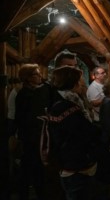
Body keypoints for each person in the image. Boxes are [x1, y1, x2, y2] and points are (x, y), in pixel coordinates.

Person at [47, 66, 100, 200]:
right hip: (76, 166)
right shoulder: (67, 107)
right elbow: (83, 134)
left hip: (74, 164)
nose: (83, 83)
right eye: (80, 80)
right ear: (73, 83)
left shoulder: (66, 103)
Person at [14, 64, 51, 200]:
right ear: (28, 78)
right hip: (31, 137)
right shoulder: (24, 95)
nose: (40, 76)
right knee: (30, 167)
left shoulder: (40, 91)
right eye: (36, 74)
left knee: (37, 168)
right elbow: (21, 118)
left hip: (39, 136)